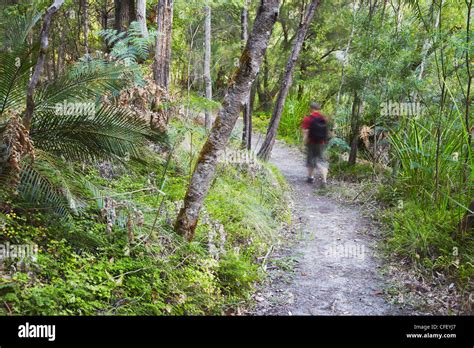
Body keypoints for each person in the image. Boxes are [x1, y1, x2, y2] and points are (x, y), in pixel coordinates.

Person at [301, 102, 329, 186]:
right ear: (318, 108)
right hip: (322, 142)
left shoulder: (308, 118)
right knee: (321, 160)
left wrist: (303, 143)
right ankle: (324, 180)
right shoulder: (323, 118)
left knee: (310, 159)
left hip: (311, 142)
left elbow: (305, 132)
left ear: (311, 108)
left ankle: (310, 177)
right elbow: (327, 131)